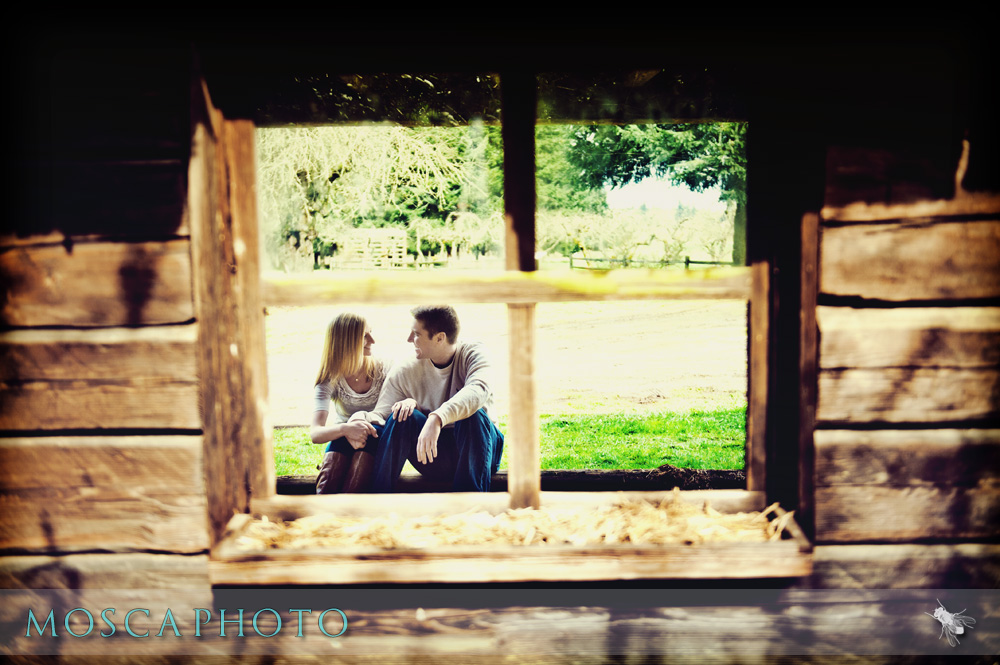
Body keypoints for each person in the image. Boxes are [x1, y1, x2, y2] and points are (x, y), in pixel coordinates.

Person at [359, 305, 504, 492]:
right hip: (434, 455)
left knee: (472, 415)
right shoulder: (405, 369)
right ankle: (378, 499)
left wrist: (437, 418)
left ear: (439, 338)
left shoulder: (474, 353)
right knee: (402, 415)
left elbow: (478, 390)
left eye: (416, 334)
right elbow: (381, 415)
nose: (409, 339)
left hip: (481, 452)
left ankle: (470, 506)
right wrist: (358, 420)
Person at [311, 312, 392, 494]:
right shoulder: (329, 378)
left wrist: (355, 428)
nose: (372, 340)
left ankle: (347, 508)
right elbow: (315, 433)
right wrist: (346, 429)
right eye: (365, 336)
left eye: (371, 333)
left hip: (377, 436)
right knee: (334, 461)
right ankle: (323, 507)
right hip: (344, 438)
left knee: (369, 439)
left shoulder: (385, 368)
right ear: (346, 341)